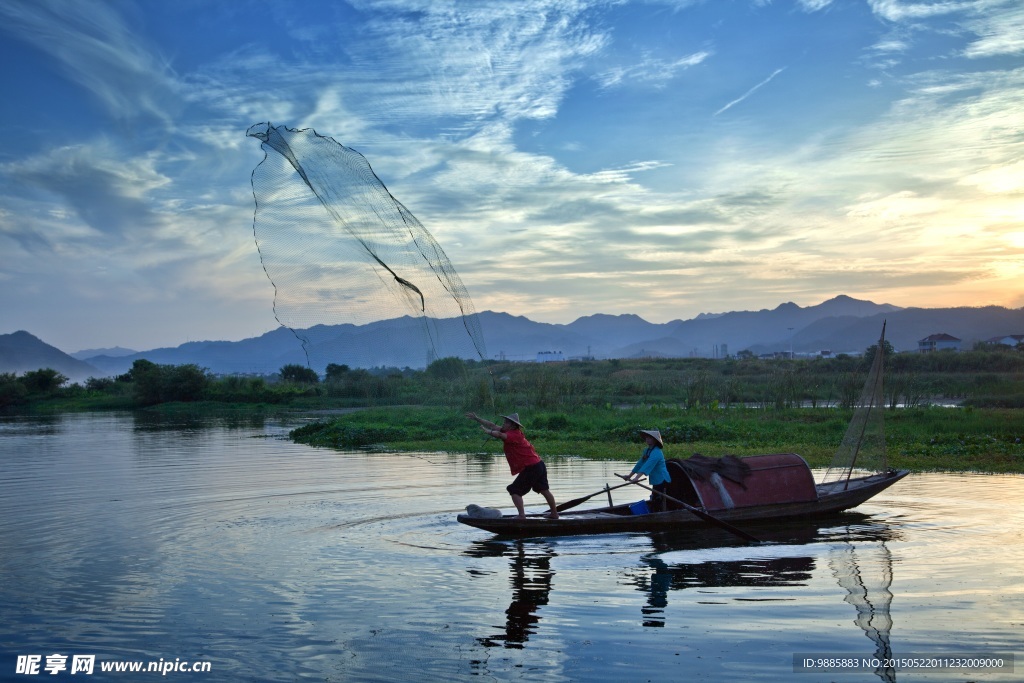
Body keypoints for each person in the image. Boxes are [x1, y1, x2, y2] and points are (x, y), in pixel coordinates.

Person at [466, 411, 559, 519]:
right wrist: (477, 418)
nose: (503, 424)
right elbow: (492, 425)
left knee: (514, 490)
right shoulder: (509, 431)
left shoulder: (514, 435)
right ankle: (554, 514)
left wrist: (487, 432)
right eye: (504, 422)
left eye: (506, 423)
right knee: (543, 489)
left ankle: (521, 516)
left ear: (513, 425)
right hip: (538, 464)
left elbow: (499, 435)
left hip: (532, 467)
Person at [624, 429, 671, 511]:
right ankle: (655, 513)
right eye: (646, 438)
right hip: (655, 480)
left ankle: (659, 514)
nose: (647, 439)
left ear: (655, 440)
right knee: (655, 498)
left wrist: (637, 478)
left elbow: (647, 465)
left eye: (650, 438)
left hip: (662, 479)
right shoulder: (647, 451)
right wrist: (629, 476)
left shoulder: (657, 452)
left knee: (659, 500)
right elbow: (640, 464)